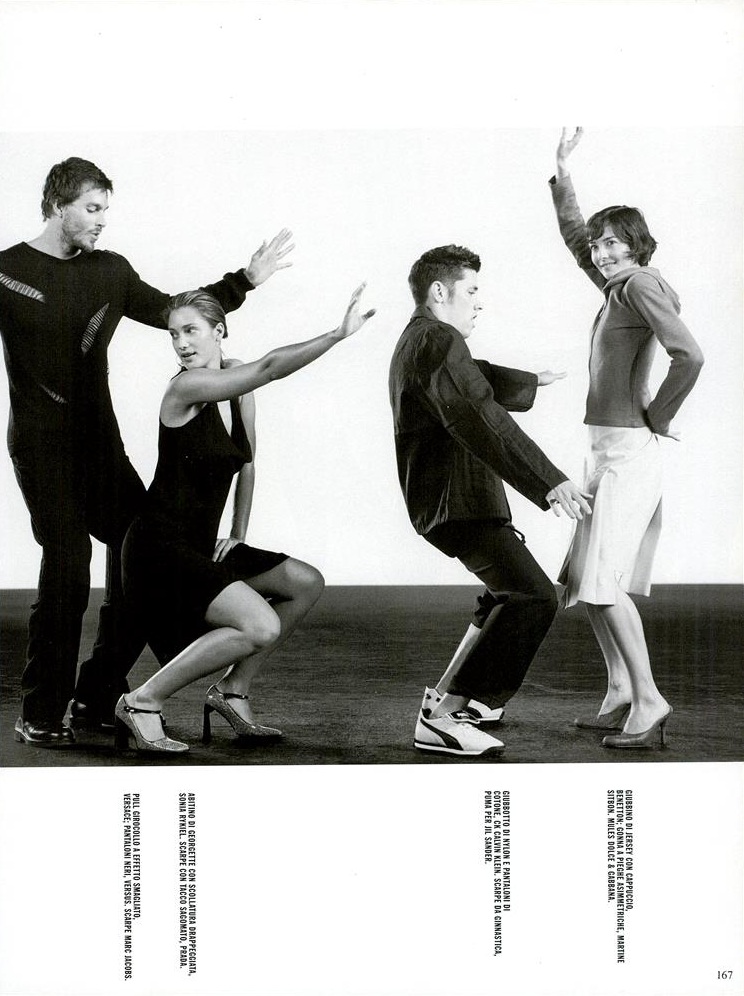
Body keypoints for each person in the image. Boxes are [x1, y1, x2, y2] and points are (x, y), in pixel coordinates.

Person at [1, 155, 293, 746]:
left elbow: (174, 311)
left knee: (139, 559)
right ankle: (40, 710)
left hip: (99, 445)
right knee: (69, 565)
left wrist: (244, 281)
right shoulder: (6, 272)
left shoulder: (109, 271)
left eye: (105, 209)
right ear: (57, 205)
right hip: (40, 446)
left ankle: (96, 696)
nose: (101, 220)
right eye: (91, 208)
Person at [116, 284, 376, 753]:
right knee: (260, 626)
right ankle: (141, 701)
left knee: (304, 582)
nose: (181, 344)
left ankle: (232, 692)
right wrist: (336, 335)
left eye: (191, 331)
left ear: (219, 331)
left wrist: (238, 532)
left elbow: (247, 461)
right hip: (158, 550)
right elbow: (271, 367)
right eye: (173, 334)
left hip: (198, 545)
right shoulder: (185, 388)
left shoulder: (236, 386)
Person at [389, 245, 592, 757]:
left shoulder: (421, 339)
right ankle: (443, 717)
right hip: (457, 503)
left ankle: (451, 698)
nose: (479, 302)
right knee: (533, 596)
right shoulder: (436, 339)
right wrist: (548, 480)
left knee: (501, 596)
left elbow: (471, 376)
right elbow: (478, 413)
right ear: (440, 291)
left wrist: (530, 381)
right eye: (472, 290)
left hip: (453, 501)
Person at [550, 127, 704, 748]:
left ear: (636, 244)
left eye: (613, 242)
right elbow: (574, 239)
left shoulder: (639, 285)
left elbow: (690, 356)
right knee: (584, 578)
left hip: (626, 451)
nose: (601, 253)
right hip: (602, 448)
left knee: (603, 582)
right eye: (599, 245)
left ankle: (649, 699)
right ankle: (618, 689)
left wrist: (659, 417)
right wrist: (563, 173)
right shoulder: (618, 288)